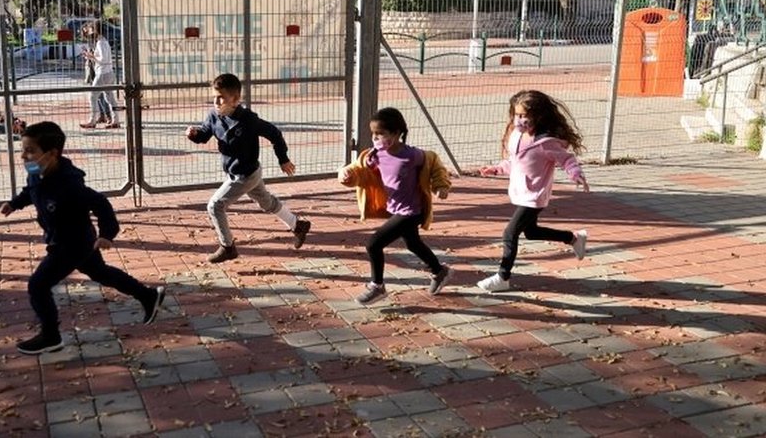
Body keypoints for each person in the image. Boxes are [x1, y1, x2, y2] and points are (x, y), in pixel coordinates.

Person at [0, 121, 164, 354]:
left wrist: (107, 234)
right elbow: (31, 192)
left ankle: (51, 336)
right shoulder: (38, 174)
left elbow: (101, 204)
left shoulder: (69, 186)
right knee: (100, 272)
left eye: (30, 151)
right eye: (23, 149)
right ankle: (148, 295)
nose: (23, 156)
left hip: (72, 244)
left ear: (52, 153)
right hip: (68, 239)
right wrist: (14, 204)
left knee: (38, 285)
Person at [185, 73, 311, 263]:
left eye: (222, 98)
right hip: (238, 172)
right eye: (214, 97)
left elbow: (275, 134)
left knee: (215, 205)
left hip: (245, 174)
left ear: (235, 100)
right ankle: (297, 225)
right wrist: (194, 134)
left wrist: (283, 159)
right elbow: (204, 134)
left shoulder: (248, 120)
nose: (217, 102)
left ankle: (228, 247)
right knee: (266, 203)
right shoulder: (213, 116)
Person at [477, 90, 589, 293]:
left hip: (534, 195)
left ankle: (503, 276)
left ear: (538, 116)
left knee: (510, 233)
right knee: (531, 232)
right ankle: (574, 238)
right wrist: (497, 168)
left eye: (524, 116)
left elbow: (567, 159)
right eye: (516, 114)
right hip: (521, 191)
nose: (519, 120)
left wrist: (575, 173)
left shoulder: (547, 142)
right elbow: (515, 160)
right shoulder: (517, 135)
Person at [338, 107, 453, 304]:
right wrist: (346, 174)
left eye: (381, 133)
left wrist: (441, 186)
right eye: (374, 133)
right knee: (413, 243)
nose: (376, 138)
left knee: (373, 244)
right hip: (395, 209)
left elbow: (434, 164)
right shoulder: (374, 155)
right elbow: (359, 169)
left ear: (397, 133)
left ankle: (377, 286)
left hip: (412, 211)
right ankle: (439, 271)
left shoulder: (413, 155)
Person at [79, 21, 120, 129]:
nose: (90, 30)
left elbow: (103, 59)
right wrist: (92, 56)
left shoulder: (100, 43)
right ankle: (115, 120)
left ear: (96, 29)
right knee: (110, 97)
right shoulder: (103, 41)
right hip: (109, 72)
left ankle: (92, 120)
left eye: (91, 28)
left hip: (102, 73)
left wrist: (91, 56)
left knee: (92, 96)